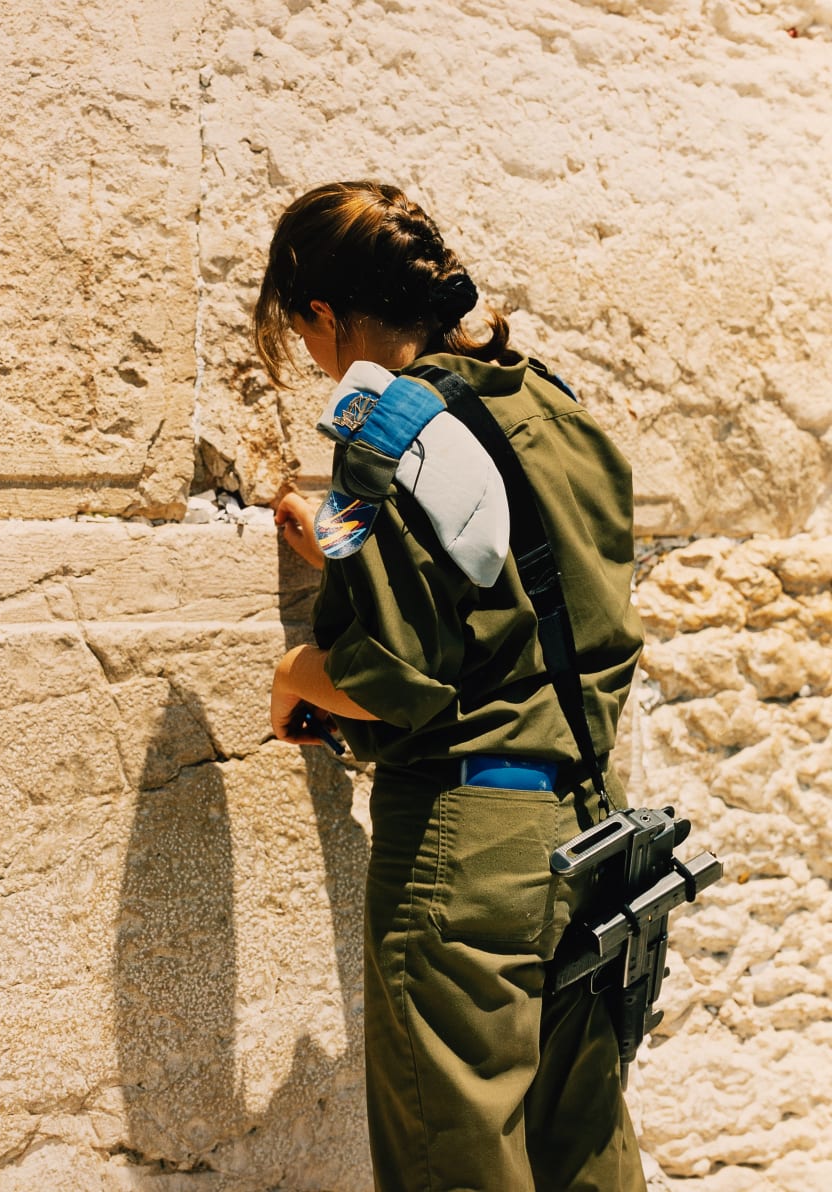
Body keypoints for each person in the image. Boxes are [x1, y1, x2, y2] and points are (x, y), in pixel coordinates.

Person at [254, 181, 648, 1191]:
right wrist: (347, 546)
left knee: (455, 1160)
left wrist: (299, 671)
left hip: (464, 856)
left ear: (325, 315)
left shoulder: (388, 415)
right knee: (584, 1152)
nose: (314, 360)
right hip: (585, 827)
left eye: (305, 337)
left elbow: (397, 679)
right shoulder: (549, 401)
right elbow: (525, 586)